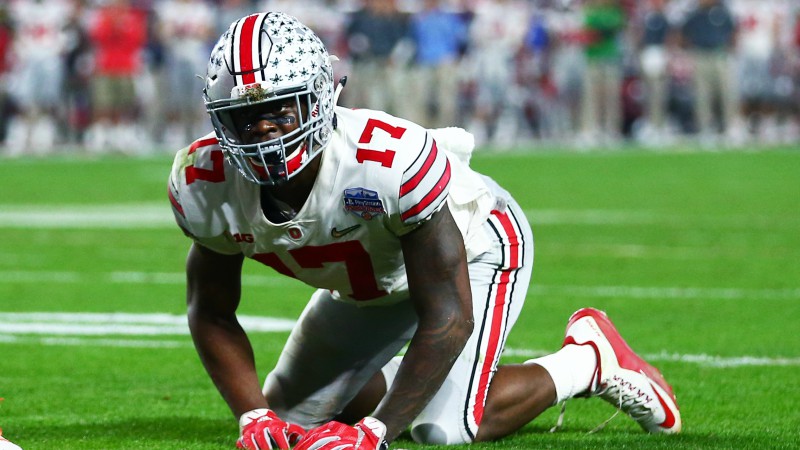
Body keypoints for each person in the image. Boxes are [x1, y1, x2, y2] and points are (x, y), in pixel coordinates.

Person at [168, 12, 682, 449]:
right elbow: (210, 309)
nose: (265, 131)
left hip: (477, 242)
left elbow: (448, 315)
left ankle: (588, 362)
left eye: (281, 109)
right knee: (290, 416)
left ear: (322, 97)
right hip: (369, 280)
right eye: (247, 117)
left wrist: (376, 432)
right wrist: (251, 415)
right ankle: (409, 392)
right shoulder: (204, 180)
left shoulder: (384, 161)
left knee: (447, 425)